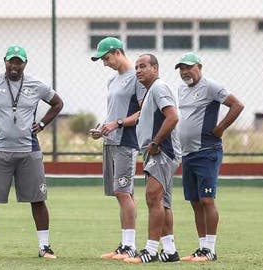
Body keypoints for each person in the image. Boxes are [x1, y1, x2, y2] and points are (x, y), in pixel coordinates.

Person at [0, 45, 64, 260]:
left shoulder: (36, 85)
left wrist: (43, 124)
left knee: (38, 199)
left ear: (25, 63)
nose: (14, 65)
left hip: (29, 150)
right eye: (11, 61)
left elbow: (57, 103)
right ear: (5, 61)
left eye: (19, 61)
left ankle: (44, 247)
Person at [175, 52, 244, 262]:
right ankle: (202, 248)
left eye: (189, 67)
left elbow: (237, 105)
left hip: (207, 151)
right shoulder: (181, 90)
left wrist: (220, 128)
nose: (185, 72)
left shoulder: (211, 86)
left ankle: (211, 250)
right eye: (181, 69)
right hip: (187, 154)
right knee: (195, 202)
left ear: (199, 67)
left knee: (207, 199)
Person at [89, 37, 146, 260]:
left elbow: (143, 112)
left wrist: (118, 123)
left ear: (117, 52)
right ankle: (125, 244)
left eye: (106, 58)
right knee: (122, 193)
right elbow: (113, 113)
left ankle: (130, 246)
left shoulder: (136, 78)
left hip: (127, 142)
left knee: (123, 192)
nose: (105, 63)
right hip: (111, 141)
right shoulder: (112, 81)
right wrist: (102, 128)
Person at [124, 54, 181, 264]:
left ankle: (150, 250)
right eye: (137, 67)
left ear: (155, 69)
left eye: (143, 66)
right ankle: (170, 250)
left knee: (152, 198)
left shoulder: (159, 87)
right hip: (154, 151)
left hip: (162, 150)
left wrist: (156, 142)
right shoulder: (150, 91)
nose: (138, 70)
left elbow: (173, 117)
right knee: (162, 202)